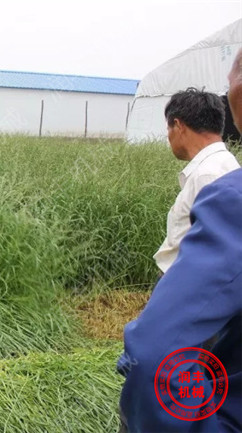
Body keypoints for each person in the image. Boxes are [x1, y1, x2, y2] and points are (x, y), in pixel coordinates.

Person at [117, 49, 242, 432]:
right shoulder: (216, 171)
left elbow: (160, 357)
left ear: (177, 126)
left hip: (200, 314)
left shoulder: (217, 183)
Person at [153, 88, 239, 274]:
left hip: (183, 283)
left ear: (178, 125)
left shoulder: (208, 175)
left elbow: (216, 250)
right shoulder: (224, 164)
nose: (168, 136)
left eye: (168, 128)